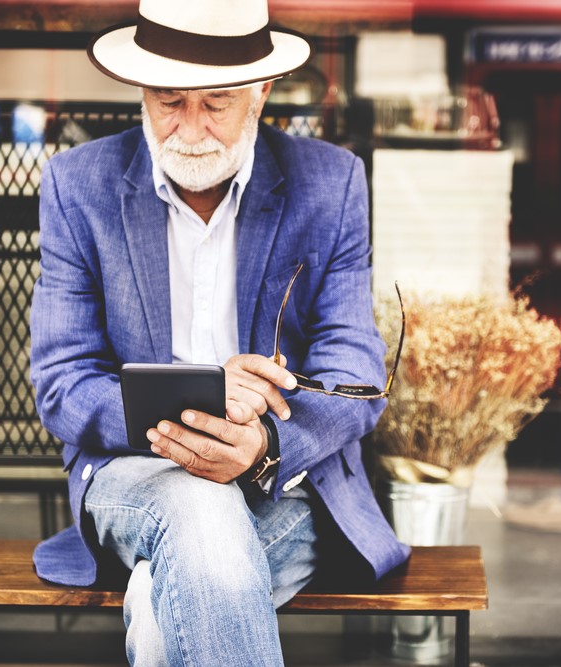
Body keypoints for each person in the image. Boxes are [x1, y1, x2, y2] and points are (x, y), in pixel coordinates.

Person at [28, 1, 410, 665]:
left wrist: (262, 441)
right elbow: (62, 382)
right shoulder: (77, 186)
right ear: (140, 89)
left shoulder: (331, 182)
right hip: (134, 469)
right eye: (169, 100)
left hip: (282, 482)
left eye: (217, 102)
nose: (192, 129)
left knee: (158, 608)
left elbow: (357, 373)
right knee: (199, 505)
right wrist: (197, 413)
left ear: (262, 91)